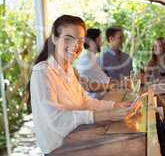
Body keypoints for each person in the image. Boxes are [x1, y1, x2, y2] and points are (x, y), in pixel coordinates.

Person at [29, 15, 132, 154]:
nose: (75, 45)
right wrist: (108, 114)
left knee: (126, 138)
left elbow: (84, 101)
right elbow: (57, 119)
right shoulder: (42, 72)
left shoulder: (70, 70)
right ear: (54, 39)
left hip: (77, 136)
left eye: (80, 41)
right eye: (68, 39)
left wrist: (114, 106)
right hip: (59, 149)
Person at [75, 28, 110, 99]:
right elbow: (108, 82)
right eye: (100, 39)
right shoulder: (88, 60)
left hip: (100, 98)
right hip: (94, 101)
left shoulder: (91, 57)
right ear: (96, 40)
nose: (102, 43)